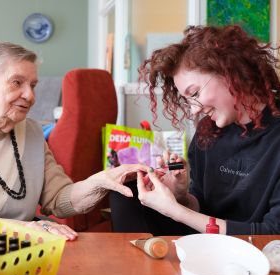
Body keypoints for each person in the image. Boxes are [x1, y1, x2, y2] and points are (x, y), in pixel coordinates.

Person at [0, 41, 148, 239]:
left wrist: (99, 182)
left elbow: (59, 198)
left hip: (21, 251)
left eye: (33, 85)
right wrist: (22, 229)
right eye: (17, 82)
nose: (30, 96)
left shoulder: (32, 131)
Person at [111, 25, 280, 235]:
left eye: (195, 93)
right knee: (124, 193)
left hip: (255, 250)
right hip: (205, 242)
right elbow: (202, 206)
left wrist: (176, 211)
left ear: (229, 73)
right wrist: (181, 196)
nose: (193, 110)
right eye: (187, 100)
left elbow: (273, 233)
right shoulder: (208, 131)